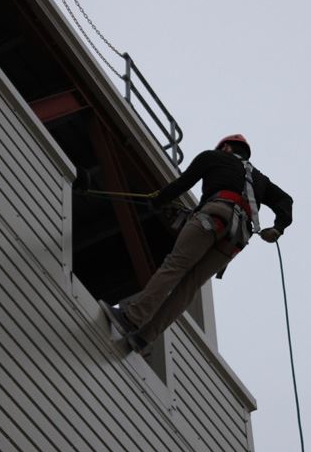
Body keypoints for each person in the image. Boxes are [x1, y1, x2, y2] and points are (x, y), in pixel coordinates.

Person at [99, 134, 293, 352]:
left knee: (175, 266)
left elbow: (183, 183)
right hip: (236, 238)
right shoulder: (260, 180)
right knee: (189, 286)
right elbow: (286, 200)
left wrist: (156, 200)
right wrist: (278, 228)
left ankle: (130, 318)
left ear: (226, 147)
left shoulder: (213, 157)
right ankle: (144, 338)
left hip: (214, 215)